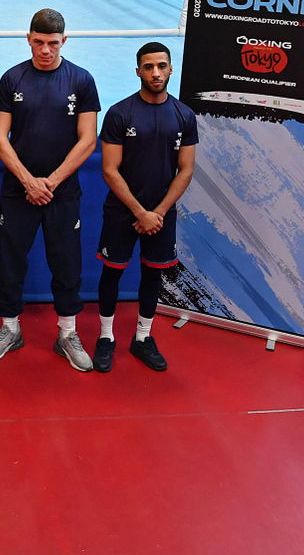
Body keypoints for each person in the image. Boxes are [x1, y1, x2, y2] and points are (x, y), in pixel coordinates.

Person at [0, 8, 100, 371]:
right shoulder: (11, 79)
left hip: (62, 191)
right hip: (19, 189)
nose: (45, 50)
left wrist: (51, 181)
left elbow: (87, 139)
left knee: (66, 263)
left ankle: (67, 332)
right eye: (38, 42)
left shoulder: (81, 80)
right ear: (28, 39)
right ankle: (9, 328)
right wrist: (28, 180)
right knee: (10, 260)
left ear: (64, 41)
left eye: (52, 43)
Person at [94, 42, 197, 373]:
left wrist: (158, 213)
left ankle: (142, 337)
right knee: (112, 273)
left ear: (171, 69)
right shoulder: (120, 113)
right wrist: (140, 212)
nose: (155, 73)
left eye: (161, 66)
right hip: (123, 212)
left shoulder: (184, 115)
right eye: (148, 67)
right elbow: (110, 169)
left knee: (154, 274)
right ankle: (106, 337)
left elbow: (187, 169)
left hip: (161, 215)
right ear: (138, 71)